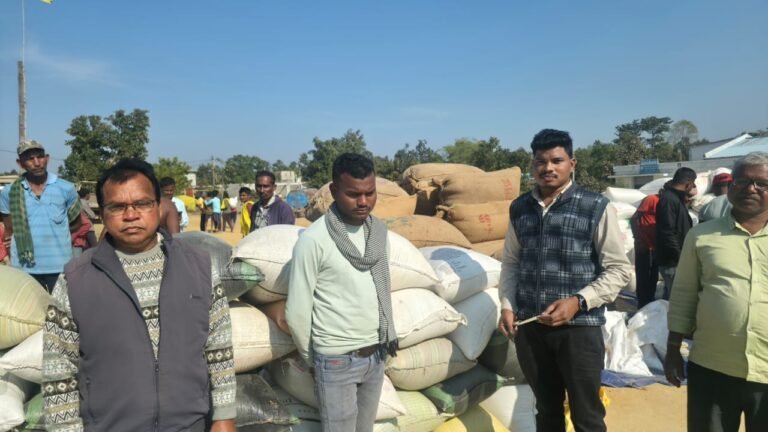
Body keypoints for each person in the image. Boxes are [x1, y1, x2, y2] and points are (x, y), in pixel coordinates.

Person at [42, 159, 236, 432]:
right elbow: (58, 370)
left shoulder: (199, 267)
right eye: (117, 207)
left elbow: (219, 350)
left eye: (142, 204)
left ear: (158, 206)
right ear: (102, 213)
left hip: (189, 425)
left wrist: (224, 416)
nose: (131, 215)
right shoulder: (76, 280)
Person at [497, 129, 631, 432]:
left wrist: (578, 302)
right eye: (540, 162)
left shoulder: (595, 206)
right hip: (531, 329)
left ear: (572, 163)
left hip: (579, 331)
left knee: (587, 416)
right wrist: (507, 305)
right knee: (546, 411)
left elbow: (618, 269)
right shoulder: (520, 208)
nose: (548, 168)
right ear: (532, 165)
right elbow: (512, 262)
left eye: (556, 160)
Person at [286, 153, 398, 432]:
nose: (364, 202)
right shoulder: (314, 240)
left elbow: (381, 290)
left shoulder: (378, 234)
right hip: (336, 359)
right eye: (353, 194)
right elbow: (297, 311)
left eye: (370, 193)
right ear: (334, 191)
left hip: (376, 354)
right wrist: (314, 361)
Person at [665, 152, 768, 431]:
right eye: (742, 181)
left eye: (761, 183)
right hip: (714, 368)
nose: (750, 189)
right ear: (730, 187)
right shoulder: (702, 236)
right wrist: (673, 349)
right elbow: (684, 294)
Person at [0, 140, 81, 292]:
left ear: (47, 158)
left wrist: (56, 235)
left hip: (60, 266)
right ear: (20, 163)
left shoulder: (66, 188)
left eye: (40, 157)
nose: (37, 163)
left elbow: (76, 223)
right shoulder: (9, 192)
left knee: (61, 305)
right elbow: (10, 229)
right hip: (24, 268)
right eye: (30, 159)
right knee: (30, 307)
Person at [655, 167, 697, 300]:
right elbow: (667, 232)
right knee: (675, 298)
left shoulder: (675, 199)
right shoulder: (669, 199)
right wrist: (679, 257)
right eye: (692, 185)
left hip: (674, 259)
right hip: (671, 261)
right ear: (688, 184)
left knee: (672, 296)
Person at [629, 190, 661, 309]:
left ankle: (650, 300)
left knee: (654, 275)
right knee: (643, 274)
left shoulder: (667, 202)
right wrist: (638, 238)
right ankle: (642, 303)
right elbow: (634, 218)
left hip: (656, 245)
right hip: (644, 244)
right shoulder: (652, 199)